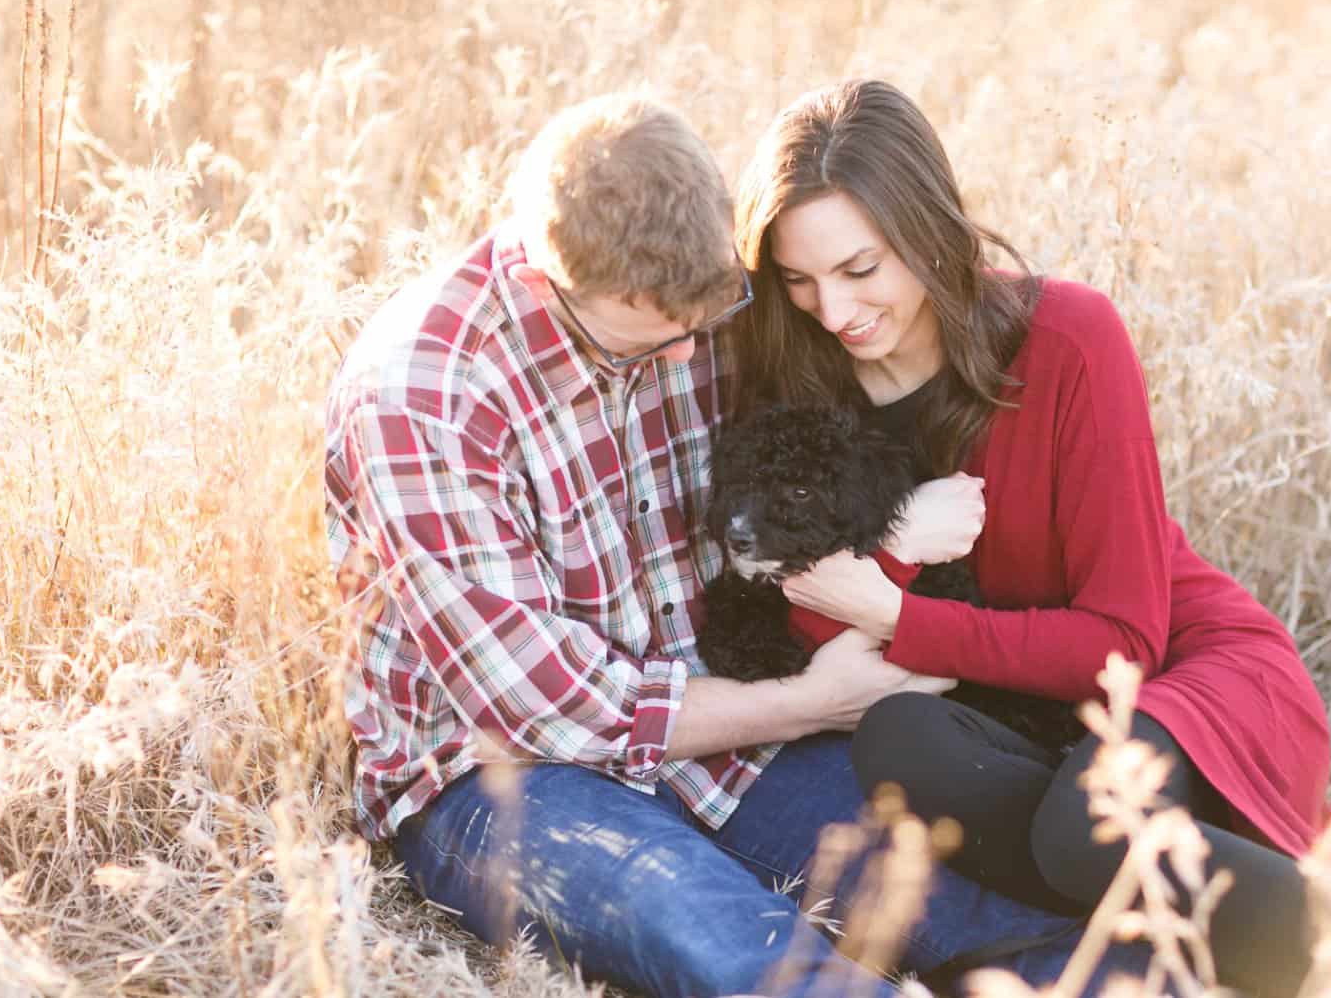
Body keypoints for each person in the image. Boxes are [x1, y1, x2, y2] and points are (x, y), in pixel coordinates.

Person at [323, 93, 1159, 998]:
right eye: (646, 345)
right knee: (745, 952)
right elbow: (543, 707)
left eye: (706, 323)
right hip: (510, 777)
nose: (690, 359)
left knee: (1033, 926)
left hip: (733, 730)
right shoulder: (426, 397)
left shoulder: (706, 296)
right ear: (542, 286)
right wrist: (811, 704)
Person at [727, 78, 1331, 998]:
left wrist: (894, 608)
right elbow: (816, 621)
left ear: (929, 233)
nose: (833, 308)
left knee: (1080, 830)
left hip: (1183, 675)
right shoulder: (801, 367)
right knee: (898, 743)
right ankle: (1194, 934)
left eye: (862, 270)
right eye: (799, 279)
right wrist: (899, 545)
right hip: (1032, 720)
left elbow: (1122, 643)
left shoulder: (1068, 338)